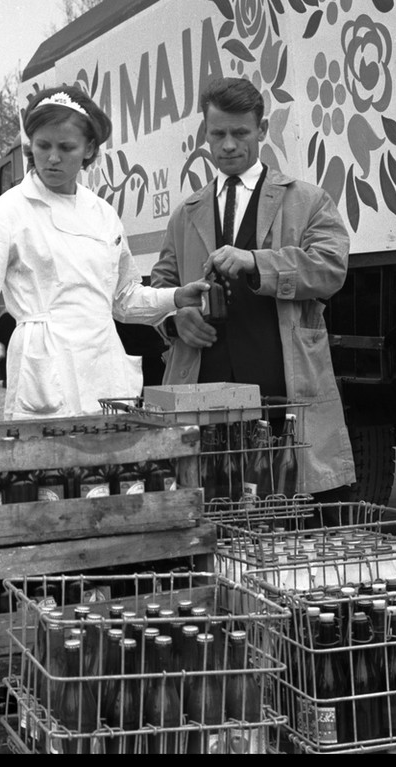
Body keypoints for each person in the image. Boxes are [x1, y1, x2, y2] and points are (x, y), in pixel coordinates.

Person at [150, 77, 356, 497]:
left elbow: (331, 269)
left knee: (290, 507)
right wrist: (175, 319)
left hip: (281, 381)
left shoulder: (308, 199)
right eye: (218, 134)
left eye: (240, 133)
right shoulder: (184, 214)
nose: (227, 145)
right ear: (205, 134)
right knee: (211, 505)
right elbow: (162, 284)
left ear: (262, 131)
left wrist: (256, 262)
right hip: (203, 389)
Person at [0, 84, 208, 420]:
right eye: (42, 146)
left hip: (102, 366)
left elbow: (124, 299)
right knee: (49, 465)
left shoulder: (102, 214)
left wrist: (175, 298)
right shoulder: (9, 212)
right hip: (44, 368)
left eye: (66, 147)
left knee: (109, 466)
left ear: (89, 149)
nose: (52, 157)